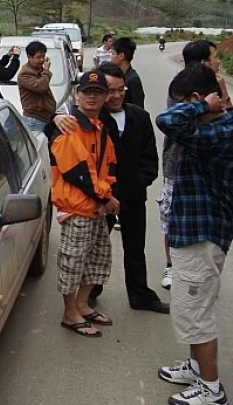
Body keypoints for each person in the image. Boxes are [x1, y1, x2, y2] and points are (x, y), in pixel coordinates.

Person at [55, 63, 167, 313]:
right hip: (99, 199)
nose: (115, 96)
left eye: (120, 90)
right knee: (91, 251)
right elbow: (60, 131)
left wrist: (138, 184)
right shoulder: (91, 118)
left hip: (132, 195)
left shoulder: (139, 116)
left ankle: (140, 296)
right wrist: (55, 117)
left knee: (135, 248)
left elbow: (150, 159)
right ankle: (88, 296)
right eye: (111, 91)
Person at [156, 63, 233, 405]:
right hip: (193, 233)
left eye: (182, 102)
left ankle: (211, 389)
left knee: (196, 315)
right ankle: (195, 367)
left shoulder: (220, 132)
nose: (176, 108)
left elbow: (168, 121)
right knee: (191, 308)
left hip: (203, 237)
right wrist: (210, 104)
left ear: (198, 100)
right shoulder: (216, 125)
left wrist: (205, 105)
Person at [157, 39, 232, 291]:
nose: (218, 61)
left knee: (195, 319)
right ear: (203, 62)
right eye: (214, 57)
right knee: (171, 219)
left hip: (203, 195)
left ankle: (193, 278)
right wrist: (203, 104)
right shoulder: (184, 88)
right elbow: (168, 120)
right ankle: (172, 267)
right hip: (177, 169)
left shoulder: (220, 128)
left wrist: (223, 100)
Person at [50, 69, 119, 338]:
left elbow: (109, 165)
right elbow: (79, 173)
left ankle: (82, 304)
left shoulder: (100, 127)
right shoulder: (69, 128)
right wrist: (106, 196)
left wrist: (105, 196)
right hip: (77, 208)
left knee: (98, 259)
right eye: (87, 92)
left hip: (96, 208)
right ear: (76, 95)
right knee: (73, 262)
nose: (92, 97)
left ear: (105, 98)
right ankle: (70, 313)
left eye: (98, 93)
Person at [17, 40, 56, 133]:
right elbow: (41, 87)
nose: (42, 60)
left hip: (45, 118)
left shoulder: (39, 70)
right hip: (34, 120)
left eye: (43, 56)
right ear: (29, 57)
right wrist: (46, 71)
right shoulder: (25, 74)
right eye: (38, 57)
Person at [111, 37, 145, 109]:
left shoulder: (133, 80)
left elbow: (138, 108)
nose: (110, 57)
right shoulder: (120, 76)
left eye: (112, 53)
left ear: (121, 56)